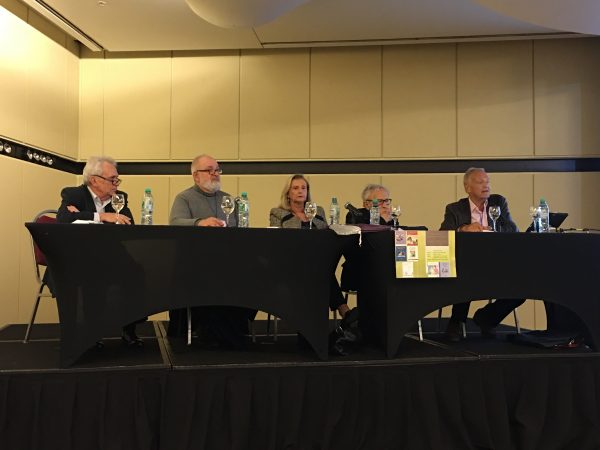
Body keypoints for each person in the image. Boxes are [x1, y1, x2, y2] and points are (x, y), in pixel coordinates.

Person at [57, 155, 144, 346]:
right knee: (93, 276)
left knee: (137, 272)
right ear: (94, 179)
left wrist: (82, 216)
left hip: (111, 257)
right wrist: (102, 216)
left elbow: (129, 225)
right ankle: (90, 331)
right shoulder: (73, 194)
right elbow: (63, 220)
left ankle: (129, 329)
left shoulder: (120, 197)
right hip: (79, 260)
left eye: (117, 179)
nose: (116, 183)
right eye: (112, 179)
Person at [169, 154, 255, 348]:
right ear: (195, 175)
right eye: (209, 170)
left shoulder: (228, 199)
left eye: (217, 170)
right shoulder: (184, 198)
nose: (215, 174)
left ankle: (234, 331)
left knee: (254, 273)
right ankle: (215, 332)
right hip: (196, 263)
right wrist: (200, 222)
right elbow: (175, 223)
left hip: (228, 262)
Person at [440, 167, 525, 342]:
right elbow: (444, 233)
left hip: (498, 260)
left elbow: (513, 229)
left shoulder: (498, 202)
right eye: (480, 182)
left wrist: (493, 228)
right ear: (467, 187)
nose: (486, 186)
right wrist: (464, 229)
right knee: (465, 276)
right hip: (467, 261)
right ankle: (457, 321)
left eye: (487, 181)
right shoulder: (455, 209)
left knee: (522, 286)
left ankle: (487, 318)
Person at [269, 174, 353, 321]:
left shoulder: (318, 211)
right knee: (322, 270)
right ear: (288, 193)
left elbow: (326, 234)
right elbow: (277, 241)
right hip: (290, 265)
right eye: (295, 188)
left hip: (316, 263)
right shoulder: (278, 213)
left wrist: (310, 217)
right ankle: (343, 308)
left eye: (304, 188)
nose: (300, 191)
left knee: (320, 268)